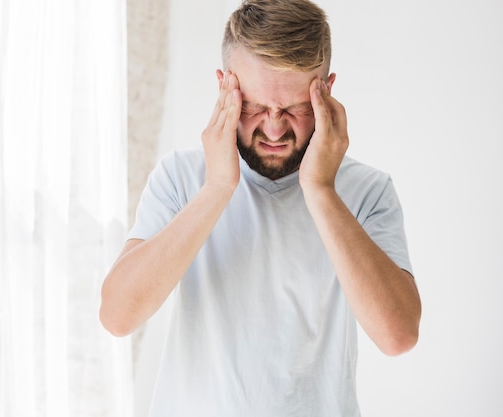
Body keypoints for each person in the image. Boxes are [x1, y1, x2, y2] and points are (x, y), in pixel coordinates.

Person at [100, 0, 422, 415]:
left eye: (295, 109)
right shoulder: (180, 177)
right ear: (225, 89)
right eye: (254, 106)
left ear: (326, 92)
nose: (273, 128)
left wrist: (320, 188)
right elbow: (118, 316)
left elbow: (398, 336)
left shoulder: (367, 191)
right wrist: (217, 187)